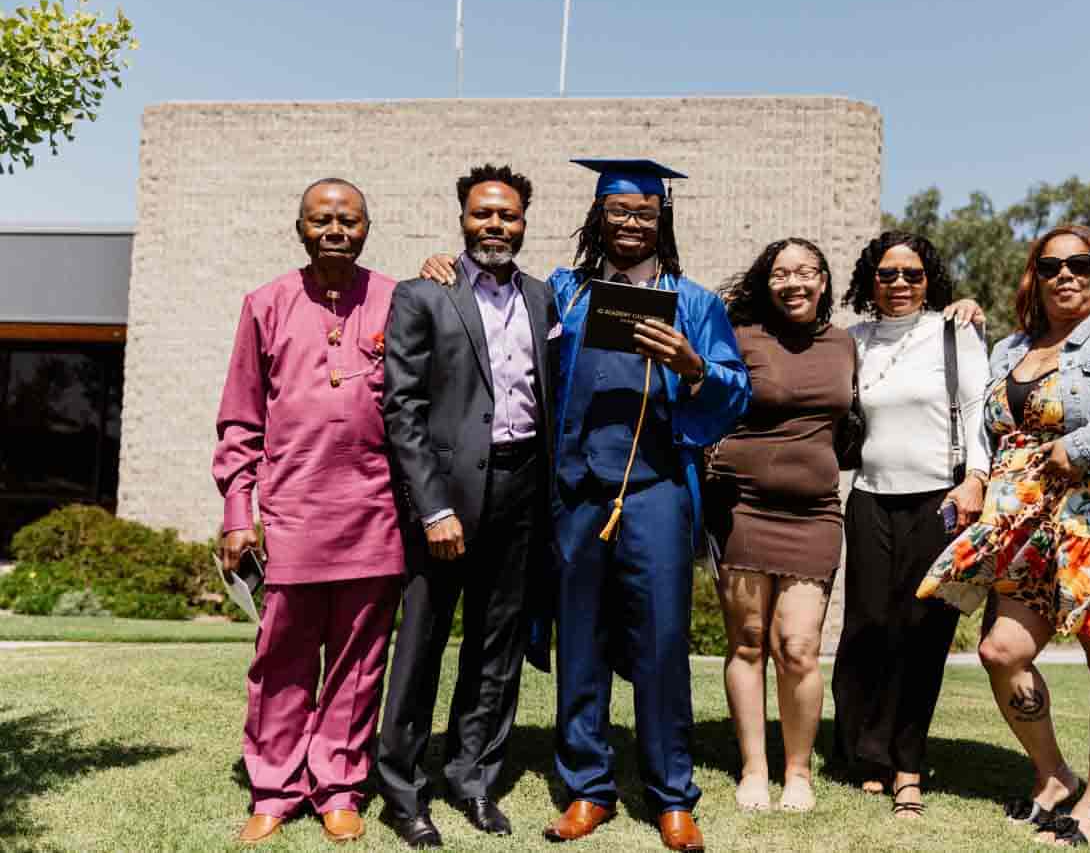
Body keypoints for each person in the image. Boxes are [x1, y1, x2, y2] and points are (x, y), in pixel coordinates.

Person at [420, 158, 750, 852]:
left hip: (654, 493)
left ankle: (670, 794)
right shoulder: (563, 293)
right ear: (598, 217)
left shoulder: (692, 302)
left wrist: (693, 365)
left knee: (662, 646)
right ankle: (587, 786)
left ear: (663, 220)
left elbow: (733, 390)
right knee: (582, 645)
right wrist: (441, 269)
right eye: (619, 212)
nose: (631, 224)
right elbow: (493, 312)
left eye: (645, 214)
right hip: (572, 496)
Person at [917, 224, 1090, 846]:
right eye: (1051, 265)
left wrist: (1082, 447)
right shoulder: (1010, 347)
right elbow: (984, 428)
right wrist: (976, 479)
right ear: (1034, 275)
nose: (1066, 274)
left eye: (1080, 263)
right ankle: (1054, 775)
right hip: (1026, 519)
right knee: (1001, 652)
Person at [212, 178, 404, 845]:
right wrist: (240, 511)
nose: (335, 229)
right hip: (291, 514)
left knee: (357, 662)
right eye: (321, 219)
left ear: (367, 227)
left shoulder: (395, 300)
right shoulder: (264, 303)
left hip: (375, 512)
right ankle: (274, 786)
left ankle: (340, 784)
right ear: (299, 228)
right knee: (281, 658)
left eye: (348, 219)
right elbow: (240, 421)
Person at [376, 164, 555, 848]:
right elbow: (404, 408)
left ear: (523, 223)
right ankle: (402, 789)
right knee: (420, 646)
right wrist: (432, 507)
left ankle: (473, 778)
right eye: (484, 213)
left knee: (495, 648)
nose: (496, 225)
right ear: (462, 218)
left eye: (508, 215)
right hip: (446, 501)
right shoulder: (423, 294)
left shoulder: (543, 299)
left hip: (522, 491)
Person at [830, 231, 991, 820]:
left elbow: (978, 413)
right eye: (888, 274)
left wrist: (976, 478)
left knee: (922, 632)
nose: (900, 284)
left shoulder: (956, 333)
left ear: (930, 280)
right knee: (867, 626)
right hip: (869, 496)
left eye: (913, 274)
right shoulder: (854, 340)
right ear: (869, 280)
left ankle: (906, 764)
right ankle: (862, 749)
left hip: (940, 501)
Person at [704, 238, 854, 813]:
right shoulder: (741, 338)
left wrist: (959, 307)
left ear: (823, 281)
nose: (793, 283)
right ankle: (754, 768)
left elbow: (906, 340)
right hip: (743, 507)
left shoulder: (847, 343)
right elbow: (698, 388)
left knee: (798, 647)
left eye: (805, 272)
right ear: (766, 284)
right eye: (780, 274)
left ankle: (798, 773)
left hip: (815, 512)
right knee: (747, 642)